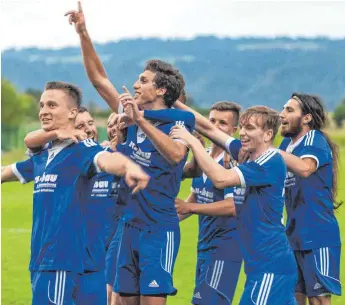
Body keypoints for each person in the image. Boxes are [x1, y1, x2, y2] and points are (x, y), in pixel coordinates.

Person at [65, 3, 195, 305]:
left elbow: (177, 156)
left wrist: (140, 122)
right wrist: (83, 32)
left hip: (158, 230)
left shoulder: (182, 121)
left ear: (162, 90)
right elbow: (99, 79)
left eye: (144, 80)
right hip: (127, 227)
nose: (136, 84)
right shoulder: (130, 113)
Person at [1, 81, 150, 305]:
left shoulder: (82, 151)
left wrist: (128, 167)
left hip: (60, 262)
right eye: (42, 105)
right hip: (47, 262)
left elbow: (106, 159)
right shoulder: (43, 156)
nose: (43, 111)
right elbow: (7, 171)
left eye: (52, 105)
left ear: (72, 112)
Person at [170, 106, 298, 305]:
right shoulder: (246, 154)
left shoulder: (269, 161)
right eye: (243, 127)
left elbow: (220, 179)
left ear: (267, 135)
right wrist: (176, 101)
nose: (243, 133)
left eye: (251, 128)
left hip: (270, 268)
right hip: (261, 266)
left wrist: (193, 142)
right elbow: (210, 130)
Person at [175, 101, 243, 305]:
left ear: (234, 130)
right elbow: (196, 196)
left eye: (222, 123)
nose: (214, 126)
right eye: (211, 120)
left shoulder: (233, 162)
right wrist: (167, 218)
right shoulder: (202, 156)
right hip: (204, 244)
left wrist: (190, 208)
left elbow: (232, 207)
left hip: (225, 247)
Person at [278, 93, 342, 305]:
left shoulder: (314, 138)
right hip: (293, 235)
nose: (282, 114)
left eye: (289, 110)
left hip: (318, 235)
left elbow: (306, 168)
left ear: (306, 118)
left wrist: (265, 149)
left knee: (318, 300)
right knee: (294, 299)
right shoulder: (286, 145)